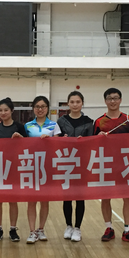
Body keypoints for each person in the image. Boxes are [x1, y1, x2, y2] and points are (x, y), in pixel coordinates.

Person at [93, 88, 129, 244]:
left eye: (115, 98)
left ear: (120, 100)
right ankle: (109, 228)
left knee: (128, 198)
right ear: (105, 101)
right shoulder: (99, 122)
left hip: (125, 164)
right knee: (106, 197)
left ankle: (127, 230)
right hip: (106, 164)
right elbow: (91, 144)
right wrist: (98, 137)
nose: (112, 101)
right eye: (109, 98)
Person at [57, 90, 93, 242]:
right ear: (68, 103)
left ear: (82, 103)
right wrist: (62, 139)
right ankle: (68, 226)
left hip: (81, 164)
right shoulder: (61, 121)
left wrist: (84, 141)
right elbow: (56, 141)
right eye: (72, 102)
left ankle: (77, 228)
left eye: (78, 102)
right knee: (67, 197)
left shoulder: (88, 122)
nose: (75, 104)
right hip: (66, 163)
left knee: (79, 197)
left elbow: (92, 143)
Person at [24, 95, 61, 243]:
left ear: (47, 108)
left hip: (47, 167)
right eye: (37, 107)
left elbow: (58, 145)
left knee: (45, 200)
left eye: (43, 106)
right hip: (31, 167)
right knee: (31, 201)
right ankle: (32, 231)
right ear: (33, 109)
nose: (40, 109)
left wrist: (50, 141)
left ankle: (41, 229)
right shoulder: (27, 126)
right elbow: (22, 145)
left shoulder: (54, 125)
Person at [0, 97, 27, 242]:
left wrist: (20, 139)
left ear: (12, 111)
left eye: (6, 110)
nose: (3, 113)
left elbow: (28, 146)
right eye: (0, 110)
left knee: (13, 200)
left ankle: (13, 229)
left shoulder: (19, 127)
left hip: (15, 167)